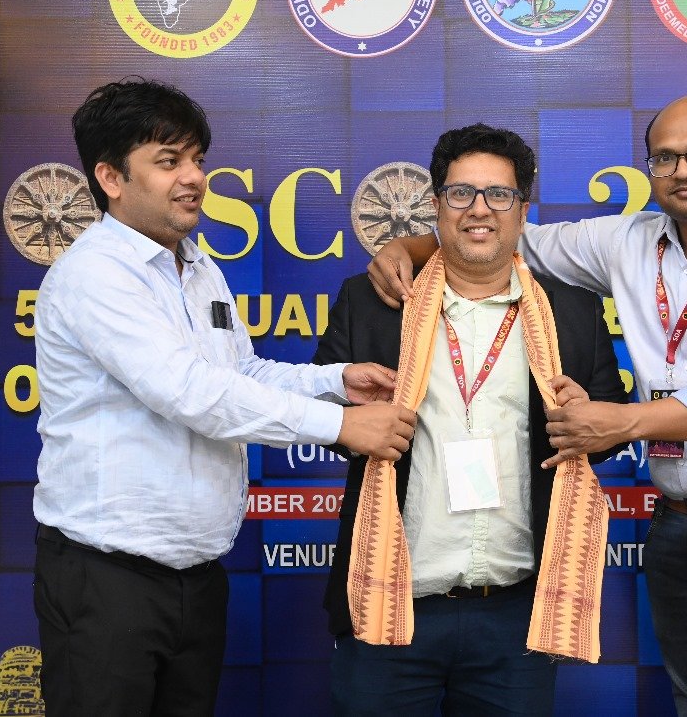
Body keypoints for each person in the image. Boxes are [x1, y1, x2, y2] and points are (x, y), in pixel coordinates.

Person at [368, 96, 687, 717]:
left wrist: (624, 422)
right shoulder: (629, 241)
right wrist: (407, 248)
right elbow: (501, 236)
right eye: (665, 158)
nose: (684, 170)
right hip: (678, 522)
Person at [31, 78, 415, 717]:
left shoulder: (198, 267)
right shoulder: (94, 274)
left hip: (196, 578)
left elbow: (242, 372)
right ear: (110, 177)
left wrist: (335, 382)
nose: (193, 178)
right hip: (106, 580)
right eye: (168, 161)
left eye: (197, 159)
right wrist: (339, 427)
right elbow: (189, 392)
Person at [316, 123, 628, 716]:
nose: (479, 209)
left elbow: (608, 429)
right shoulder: (371, 302)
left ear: (522, 211)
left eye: (498, 194)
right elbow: (325, 418)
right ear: (436, 206)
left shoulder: (573, 310)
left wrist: (587, 420)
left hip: (515, 615)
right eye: (461, 193)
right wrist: (357, 419)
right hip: (391, 604)